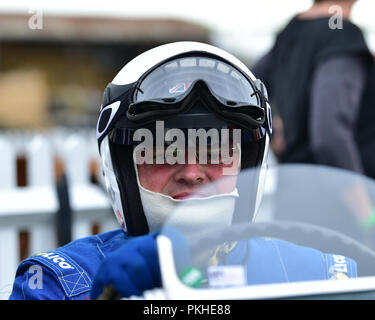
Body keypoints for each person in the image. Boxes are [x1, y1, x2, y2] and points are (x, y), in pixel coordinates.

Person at [9, 42, 356, 300]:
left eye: (216, 151)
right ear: (121, 169)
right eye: (162, 151)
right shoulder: (56, 282)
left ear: (248, 163)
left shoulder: (323, 276)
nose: (192, 173)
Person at [252, 0, 374, 178]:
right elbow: (331, 136)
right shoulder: (341, 33)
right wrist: (363, 204)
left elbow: (244, 88)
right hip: (337, 198)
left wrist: (273, 127)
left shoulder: (292, 31)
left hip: (294, 186)